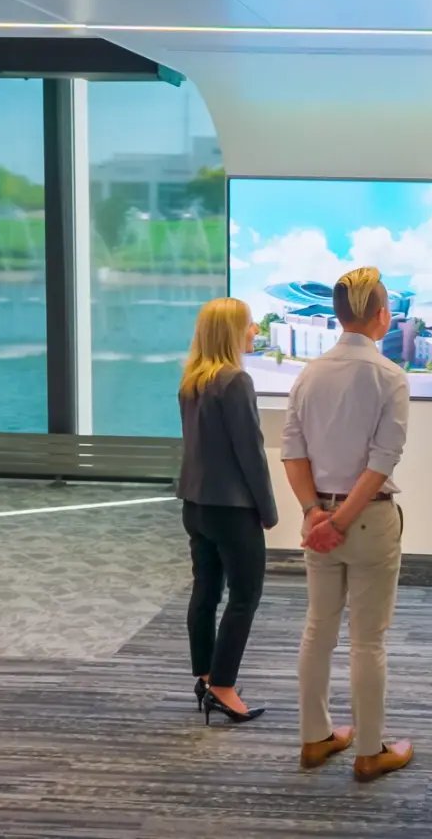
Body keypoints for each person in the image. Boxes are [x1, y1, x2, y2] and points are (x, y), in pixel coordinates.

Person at [283, 267, 413, 783]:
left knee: (318, 630)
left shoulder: (308, 374)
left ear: (338, 316)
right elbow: (382, 462)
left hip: (319, 523)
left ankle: (315, 738)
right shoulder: (389, 376)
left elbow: (292, 452)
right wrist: (340, 519)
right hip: (368, 521)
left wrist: (316, 515)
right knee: (368, 640)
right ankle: (370, 749)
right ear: (383, 316)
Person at [177, 296, 277, 725]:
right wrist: (269, 510)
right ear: (230, 333)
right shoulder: (236, 381)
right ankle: (223, 686)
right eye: (249, 325)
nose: (255, 331)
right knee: (245, 596)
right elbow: (250, 453)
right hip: (233, 509)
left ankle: (205, 674)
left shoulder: (192, 381)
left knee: (206, 592)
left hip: (195, 504)